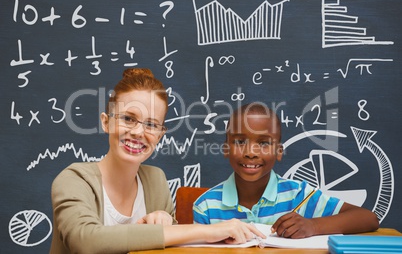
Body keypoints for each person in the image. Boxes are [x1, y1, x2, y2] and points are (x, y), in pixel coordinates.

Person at [50, 68, 265, 253]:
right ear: (106, 122)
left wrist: (165, 220)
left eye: (151, 125)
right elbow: (85, 242)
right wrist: (207, 231)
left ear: (161, 134)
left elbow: (168, 245)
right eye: (128, 118)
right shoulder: (74, 180)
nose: (138, 132)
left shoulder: (155, 180)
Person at [193, 102, 379, 239]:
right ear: (226, 149)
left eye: (264, 143)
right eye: (240, 142)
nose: (250, 153)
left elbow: (368, 218)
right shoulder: (206, 206)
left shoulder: (299, 195)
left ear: (279, 152)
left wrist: (312, 226)